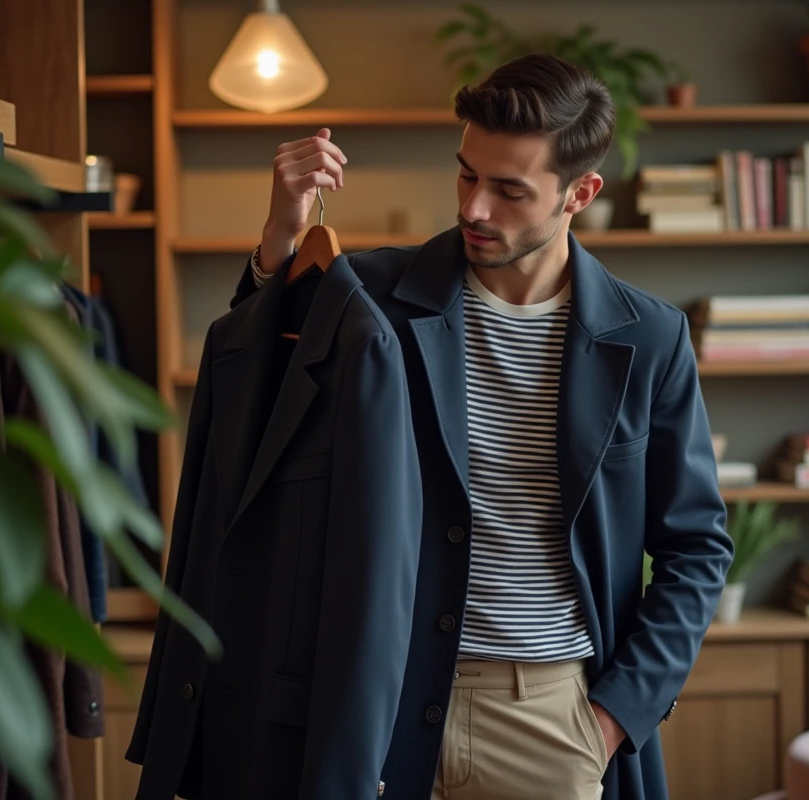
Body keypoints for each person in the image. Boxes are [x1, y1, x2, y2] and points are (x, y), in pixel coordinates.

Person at [230, 53, 733, 800]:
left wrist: (609, 718)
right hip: (382, 700)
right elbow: (253, 400)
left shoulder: (651, 338)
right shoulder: (371, 299)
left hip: (552, 715)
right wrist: (280, 235)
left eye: (509, 190)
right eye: (467, 174)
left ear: (580, 194)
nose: (473, 208)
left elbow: (696, 547)